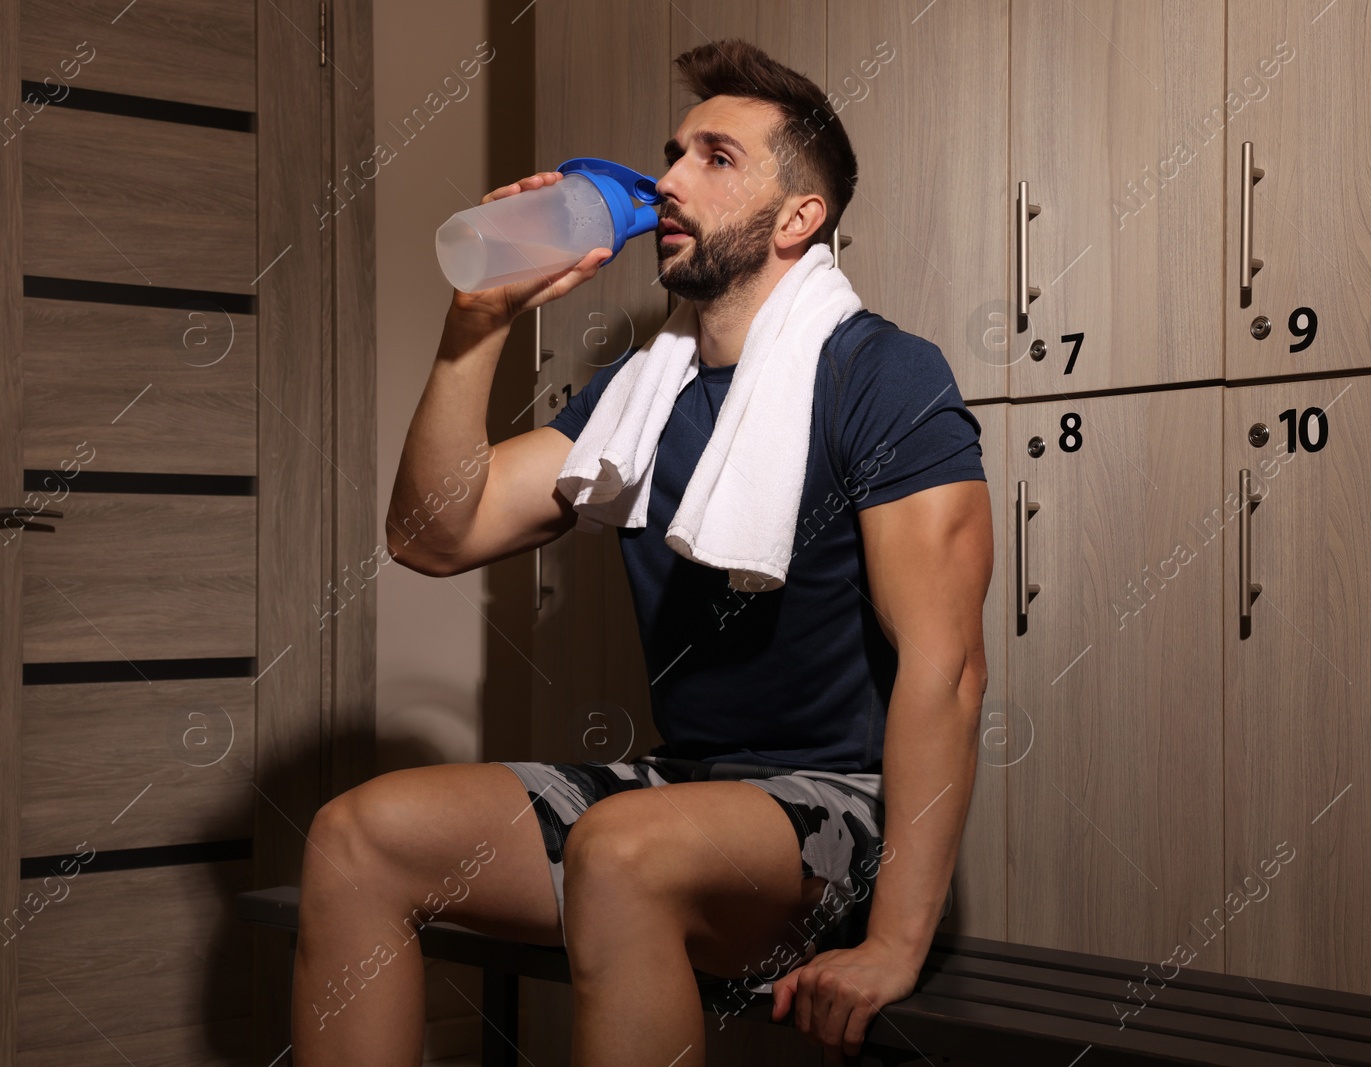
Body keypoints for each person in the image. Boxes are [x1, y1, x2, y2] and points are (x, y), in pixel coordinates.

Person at [292, 37, 992, 1067]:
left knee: (619, 849)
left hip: (847, 804)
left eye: (715, 157)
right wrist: (477, 320)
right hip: (691, 790)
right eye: (672, 152)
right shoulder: (638, 397)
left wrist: (893, 941)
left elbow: (949, 671)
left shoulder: (881, 373)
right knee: (357, 836)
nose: (665, 180)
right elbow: (430, 535)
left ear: (799, 217)